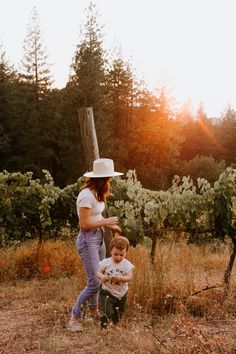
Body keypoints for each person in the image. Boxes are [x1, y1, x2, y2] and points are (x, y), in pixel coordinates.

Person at [67, 158, 123, 332]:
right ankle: (74, 318)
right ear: (102, 179)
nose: (110, 181)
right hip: (87, 240)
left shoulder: (96, 193)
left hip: (98, 237)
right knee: (94, 282)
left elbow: (94, 217)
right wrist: (106, 220)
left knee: (99, 277)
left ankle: (94, 312)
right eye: (108, 178)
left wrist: (108, 225)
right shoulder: (85, 195)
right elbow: (83, 224)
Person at [96, 236, 134, 329]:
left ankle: (115, 325)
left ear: (126, 252)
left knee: (119, 311)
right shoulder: (106, 262)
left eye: (121, 255)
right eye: (115, 254)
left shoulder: (127, 265)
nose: (118, 257)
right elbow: (98, 272)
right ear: (111, 251)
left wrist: (121, 278)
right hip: (107, 291)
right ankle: (103, 327)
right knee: (107, 311)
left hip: (121, 293)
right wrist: (102, 276)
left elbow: (129, 277)